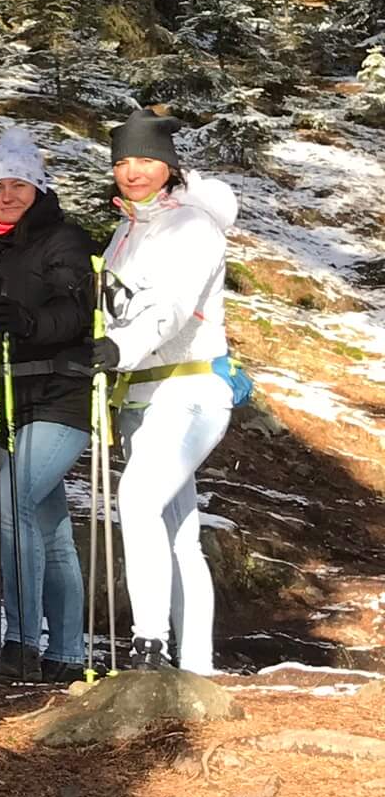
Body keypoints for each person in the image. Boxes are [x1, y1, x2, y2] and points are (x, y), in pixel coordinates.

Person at [91, 110, 238, 675]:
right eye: (123, 162)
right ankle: (196, 670)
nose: (133, 172)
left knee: (137, 499)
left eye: (146, 161)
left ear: (170, 166)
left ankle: (147, 645)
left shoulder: (193, 225)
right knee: (178, 534)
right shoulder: (126, 228)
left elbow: (172, 306)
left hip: (192, 388)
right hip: (140, 398)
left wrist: (120, 348)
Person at [0, 127, 95, 683]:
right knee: (48, 529)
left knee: (12, 501)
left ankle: (21, 642)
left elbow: (75, 313)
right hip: (9, 398)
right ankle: (67, 654)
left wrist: (29, 324)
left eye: (19, 184)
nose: (9, 195)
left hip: (60, 393)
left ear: (38, 187)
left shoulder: (62, 239)